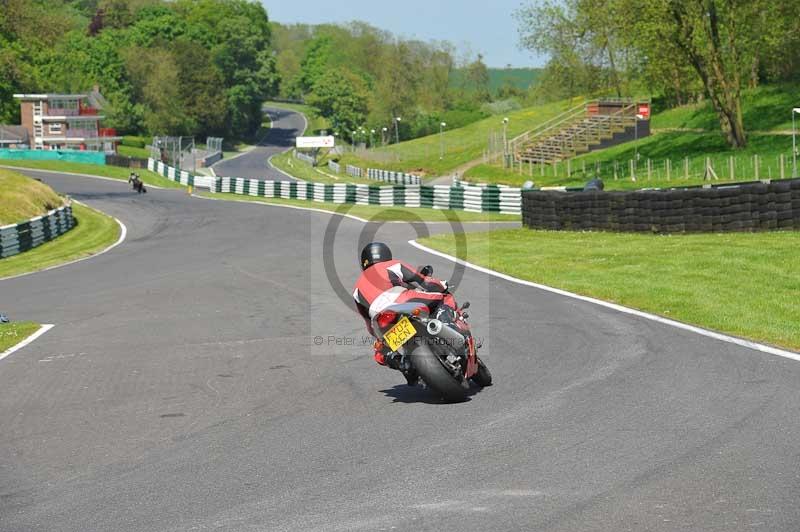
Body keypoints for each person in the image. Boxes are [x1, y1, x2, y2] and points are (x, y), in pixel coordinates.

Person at [352, 242, 457, 371]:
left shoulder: (356, 289)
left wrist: (381, 338)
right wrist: (442, 285)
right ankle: (448, 325)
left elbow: (369, 325)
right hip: (401, 301)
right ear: (386, 254)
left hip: (379, 320)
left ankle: (402, 363)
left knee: (381, 352)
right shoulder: (391, 264)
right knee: (445, 297)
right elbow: (424, 282)